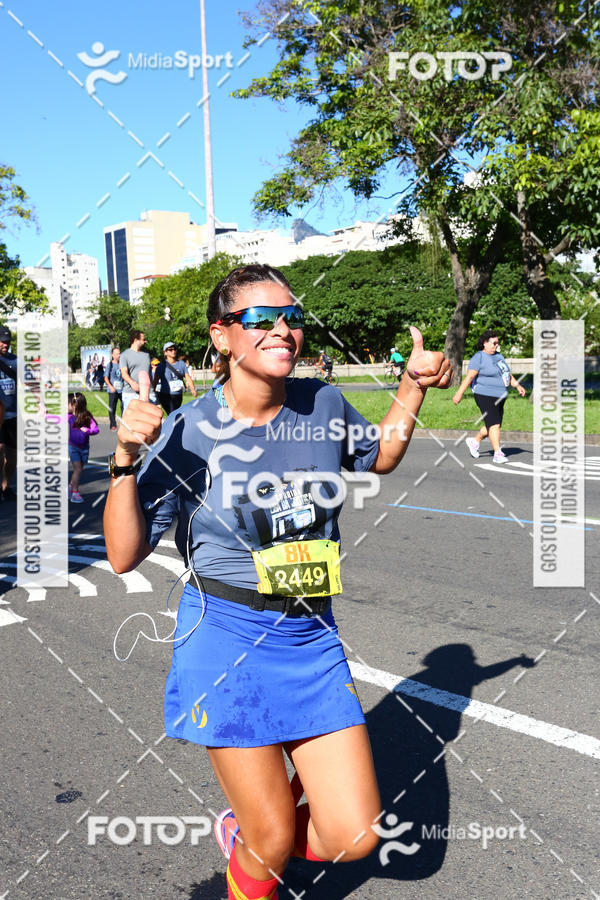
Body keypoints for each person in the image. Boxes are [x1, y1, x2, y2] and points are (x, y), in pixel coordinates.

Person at [103, 263, 452, 900]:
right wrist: (125, 460)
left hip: (311, 635)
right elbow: (124, 554)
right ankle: (256, 849)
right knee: (272, 846)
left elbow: (381, 454)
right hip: (227, 638)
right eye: (262, 320)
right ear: (222, 335)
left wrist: (411, 385)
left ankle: (251, 833)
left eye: (290, 318)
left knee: (354, 839)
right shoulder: (188, 430)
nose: (283, 331)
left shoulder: (321, 402)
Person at [453, 329, 526, 463]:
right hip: (484, 395)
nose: (496, 346)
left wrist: (517, 386)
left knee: (492, 424)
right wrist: (459, 394)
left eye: (497, 343)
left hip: (500, 395)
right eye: (494, 343)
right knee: (495, 425)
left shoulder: (499, 356)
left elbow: (507, 374)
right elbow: (469, 377)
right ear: (485, 343)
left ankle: (475, 442)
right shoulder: (478, 357)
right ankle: (498, 454)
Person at [68, 392, 99, 503]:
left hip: (84, 448)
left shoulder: (87, 416)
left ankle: (70, 487)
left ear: (74, 404)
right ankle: (75, 493)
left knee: (80, 469)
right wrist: (46, 414)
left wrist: (88, 431)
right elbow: (56, 419)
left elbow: (96, 429)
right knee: (78, 469)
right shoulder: (69, 416)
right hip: (73, 447)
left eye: (68, 403)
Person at [153, 341, 197, 415]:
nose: (173, 351)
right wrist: (153, 393)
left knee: (175, 413)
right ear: (165, 352)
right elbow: (155, 381)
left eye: (175, 349)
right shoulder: (161, 366)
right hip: (166, 395)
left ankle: (172, 425)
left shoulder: (181, 364)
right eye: (170, 350)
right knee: (172, 414)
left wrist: (193, 389)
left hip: (178, 394)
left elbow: (187, 377)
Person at [0, 325, 17, 501]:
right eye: (3, 341)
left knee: (12, 456)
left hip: (12, 415)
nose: (6, 344)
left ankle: (6, 486)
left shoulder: (15, 361)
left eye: (8, 341)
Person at [120, 331, 152, 412]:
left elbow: (149, 374)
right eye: (143, 339)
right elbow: (124, 373)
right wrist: (132, 383)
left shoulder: (146, 355)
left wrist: (153, 389)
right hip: (130, 393)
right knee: (129, 421)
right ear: (135, 340)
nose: (145, 341)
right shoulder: (125, 355)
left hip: (148, 393)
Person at [104, 346, 124, 432]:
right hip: (112, 390)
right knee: (112, 407)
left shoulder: (122, 364)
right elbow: (105, 378)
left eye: (119, 353)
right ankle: (113, 424)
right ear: (113, 355)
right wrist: (111, 386)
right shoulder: (110, 365)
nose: (119, 355)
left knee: (124, 405)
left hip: (122, 389)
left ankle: (123, 423)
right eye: (117, 353)